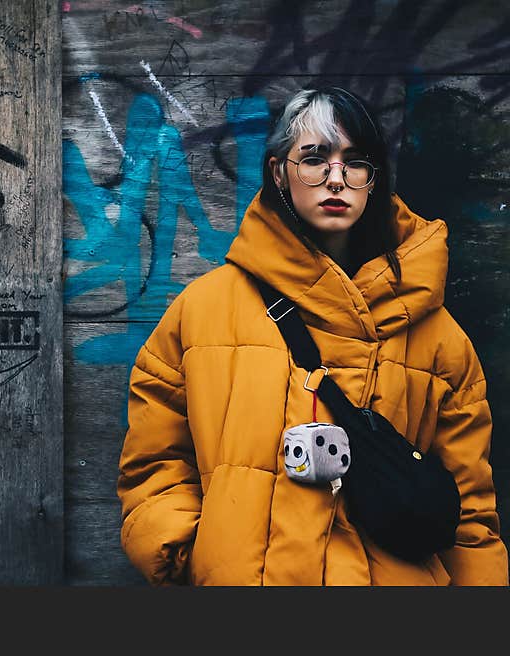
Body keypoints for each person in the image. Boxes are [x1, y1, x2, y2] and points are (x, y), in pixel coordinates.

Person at [116, 86, 509, 585]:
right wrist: (187, 549)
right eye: (314, 159)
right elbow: (155, 458)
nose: (336, 179)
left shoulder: (437, 336)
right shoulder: (205, 311)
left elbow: (469, 511)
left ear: (374, 179)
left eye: (355, 162)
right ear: (279, 171)